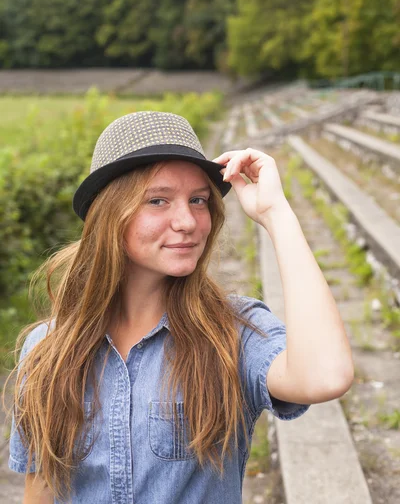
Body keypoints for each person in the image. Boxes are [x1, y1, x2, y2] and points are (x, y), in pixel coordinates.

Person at [4, 110, 354, 504]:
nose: (187, 221)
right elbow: (42, 491)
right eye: (158, 200)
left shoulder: (232, 334)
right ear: (109, 216)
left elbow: (325, 377)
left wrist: (276, 214)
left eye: (198, 200)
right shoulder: (48, 348)